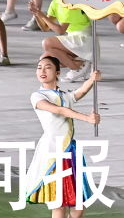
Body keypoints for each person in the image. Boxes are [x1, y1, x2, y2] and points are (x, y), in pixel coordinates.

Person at [26, 56, 103, 215]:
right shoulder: (38, 96)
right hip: (53, 153)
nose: (42, 71)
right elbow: (59, 110)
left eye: (48, 67)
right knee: (59, 203)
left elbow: (79, 92)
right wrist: (87, 118)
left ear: (58, 72)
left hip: (70, 152)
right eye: (39, 67)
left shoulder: (64, 95)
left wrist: (92, 79)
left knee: (78, 204)